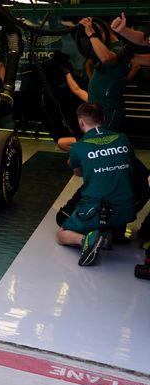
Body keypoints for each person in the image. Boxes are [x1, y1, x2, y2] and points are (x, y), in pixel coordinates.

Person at [56, 103, 136, 266]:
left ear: (81, 122)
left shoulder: (78, 147)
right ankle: (106, 234)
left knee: (61, 234)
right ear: (104, 118)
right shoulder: (123, 139)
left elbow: (79, 173)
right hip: (127, 210)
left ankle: (86, 240)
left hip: (97, 209)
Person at [80, 17, 131, 132]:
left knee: (107, 138)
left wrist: (91, 34)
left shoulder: (119, 47)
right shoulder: (106, 49)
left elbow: (107, 59)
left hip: (108, 108)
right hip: (98, 107)